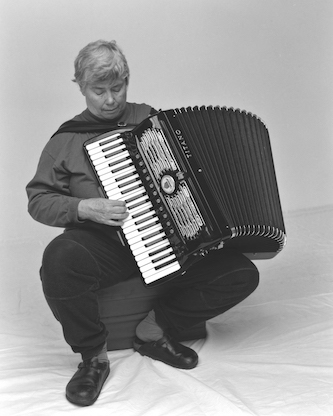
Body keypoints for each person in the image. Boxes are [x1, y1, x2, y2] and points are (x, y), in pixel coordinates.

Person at [26, 40, 259, 407]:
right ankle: (93, 358)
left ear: (127, 81)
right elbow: (38, 200)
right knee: (59, 258)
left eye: (116, 88)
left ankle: (154, 329)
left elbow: (191, 172)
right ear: (81, 87)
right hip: (109, 245)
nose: (109, 100)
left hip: (171, 239)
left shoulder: (150, 119)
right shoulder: (65, 140)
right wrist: (84, 207)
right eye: (97, 90)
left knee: (242, 273)